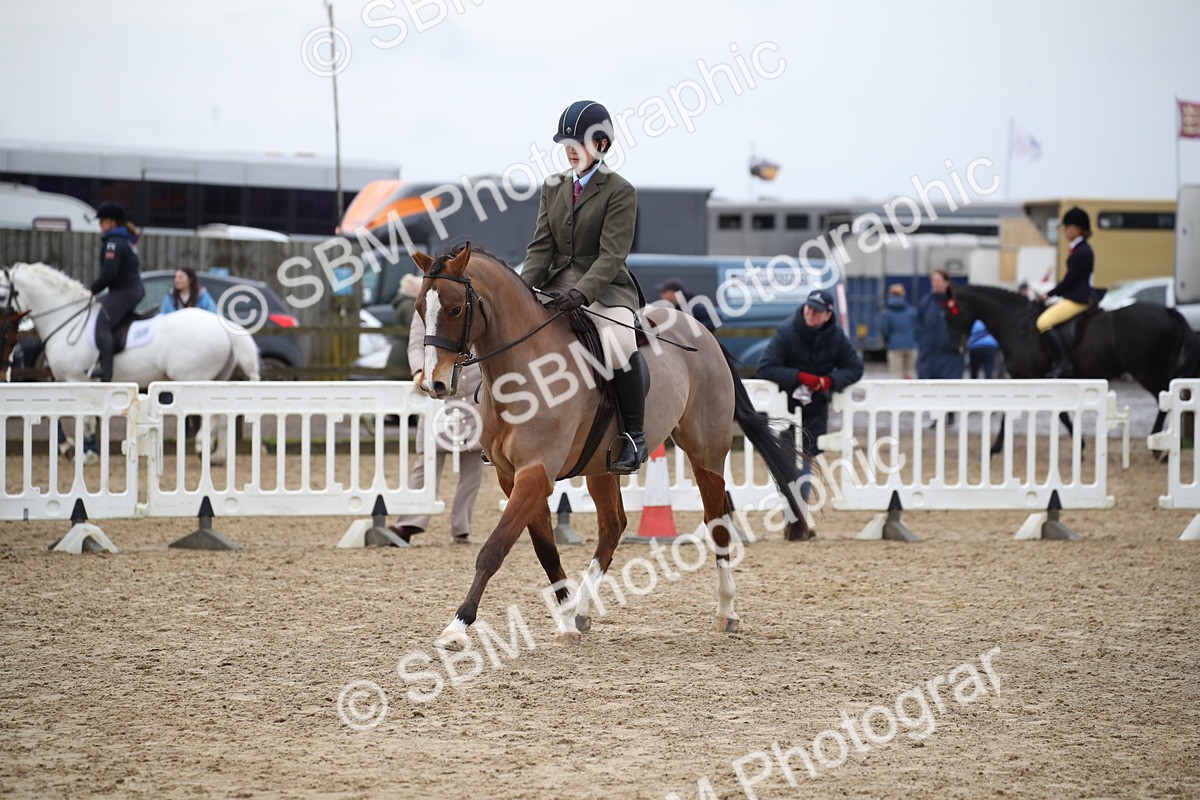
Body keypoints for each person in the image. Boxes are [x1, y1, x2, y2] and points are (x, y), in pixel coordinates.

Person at [521, 99, 648, 473]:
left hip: (605, 287)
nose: (570, 150)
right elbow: (541, 246)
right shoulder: (553, 186)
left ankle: (634, 437)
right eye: (566, 144)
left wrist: (583, 293)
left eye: (578, 143)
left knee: (620, 343)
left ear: (602, 146)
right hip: (555, 281)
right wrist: (522, 289)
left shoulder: (620, 191)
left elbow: (612, 254)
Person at [757, 289, 863, 504]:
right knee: (787, 463)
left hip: (815, 409)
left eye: (817, 310)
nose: (811, 313)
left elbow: (854, 367)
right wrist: (800, 377)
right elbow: (765, 367)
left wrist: (829, 381)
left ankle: (798, 515)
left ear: (828, 314)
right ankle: (794, 514)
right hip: (785, 408)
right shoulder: (787, 331)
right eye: (809, 307)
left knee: (805, 460)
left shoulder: (836, 336)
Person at [390, 309, 484, 545]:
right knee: (427, 456)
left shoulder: (478, 298)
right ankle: (410, 522)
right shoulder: (427, 302)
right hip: (437, 385)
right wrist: (418, 371)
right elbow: (415, 344)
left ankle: (462, 527)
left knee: (473, 462)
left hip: (475, 387)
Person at [1036, 206, 1096, 377]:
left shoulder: (1082, 251)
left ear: (1077, 229)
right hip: (1076, 295)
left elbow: (1070, 280)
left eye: (1066, 226)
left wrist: (1049, 293)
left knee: (1043, 323)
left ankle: (1064, 363)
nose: (1064, 230)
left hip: (1079, 299)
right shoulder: (1080, 249)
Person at [89, 201, 144, 381]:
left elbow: (109, 274)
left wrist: (92, 289)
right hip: (132, 290)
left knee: (102, 326)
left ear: (112, 222)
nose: (100, 226)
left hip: (124, 291)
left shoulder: (113, 243)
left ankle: (106, 372)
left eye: (102, 221)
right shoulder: (126, 240)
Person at [916, 269, 964, 426]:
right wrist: (922, 343)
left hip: (950, 352)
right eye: (932, 280)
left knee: (950, 386)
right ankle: (936, 418)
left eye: (937, 280)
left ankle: (950, 415)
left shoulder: (954, 301)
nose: (934, 283)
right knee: (933, 386)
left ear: (946, 281)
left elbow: (961, 322)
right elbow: (919, 323)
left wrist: (959, 343)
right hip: (931, 352)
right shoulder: (926, 301)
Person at [386, 273, 421, 380]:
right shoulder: (409, 305)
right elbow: (415, 327)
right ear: (414, 290)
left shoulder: (403, 303)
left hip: (398, 352)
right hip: (403, 355)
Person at [880, 283, 917, 379]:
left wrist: (890, 339)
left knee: (896, 376)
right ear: (903, 295)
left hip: (895, 345)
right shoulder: (911, 311)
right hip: (911, 345)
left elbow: (885, 330)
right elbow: (917, 327)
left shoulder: (886, 313)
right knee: (910, 374)